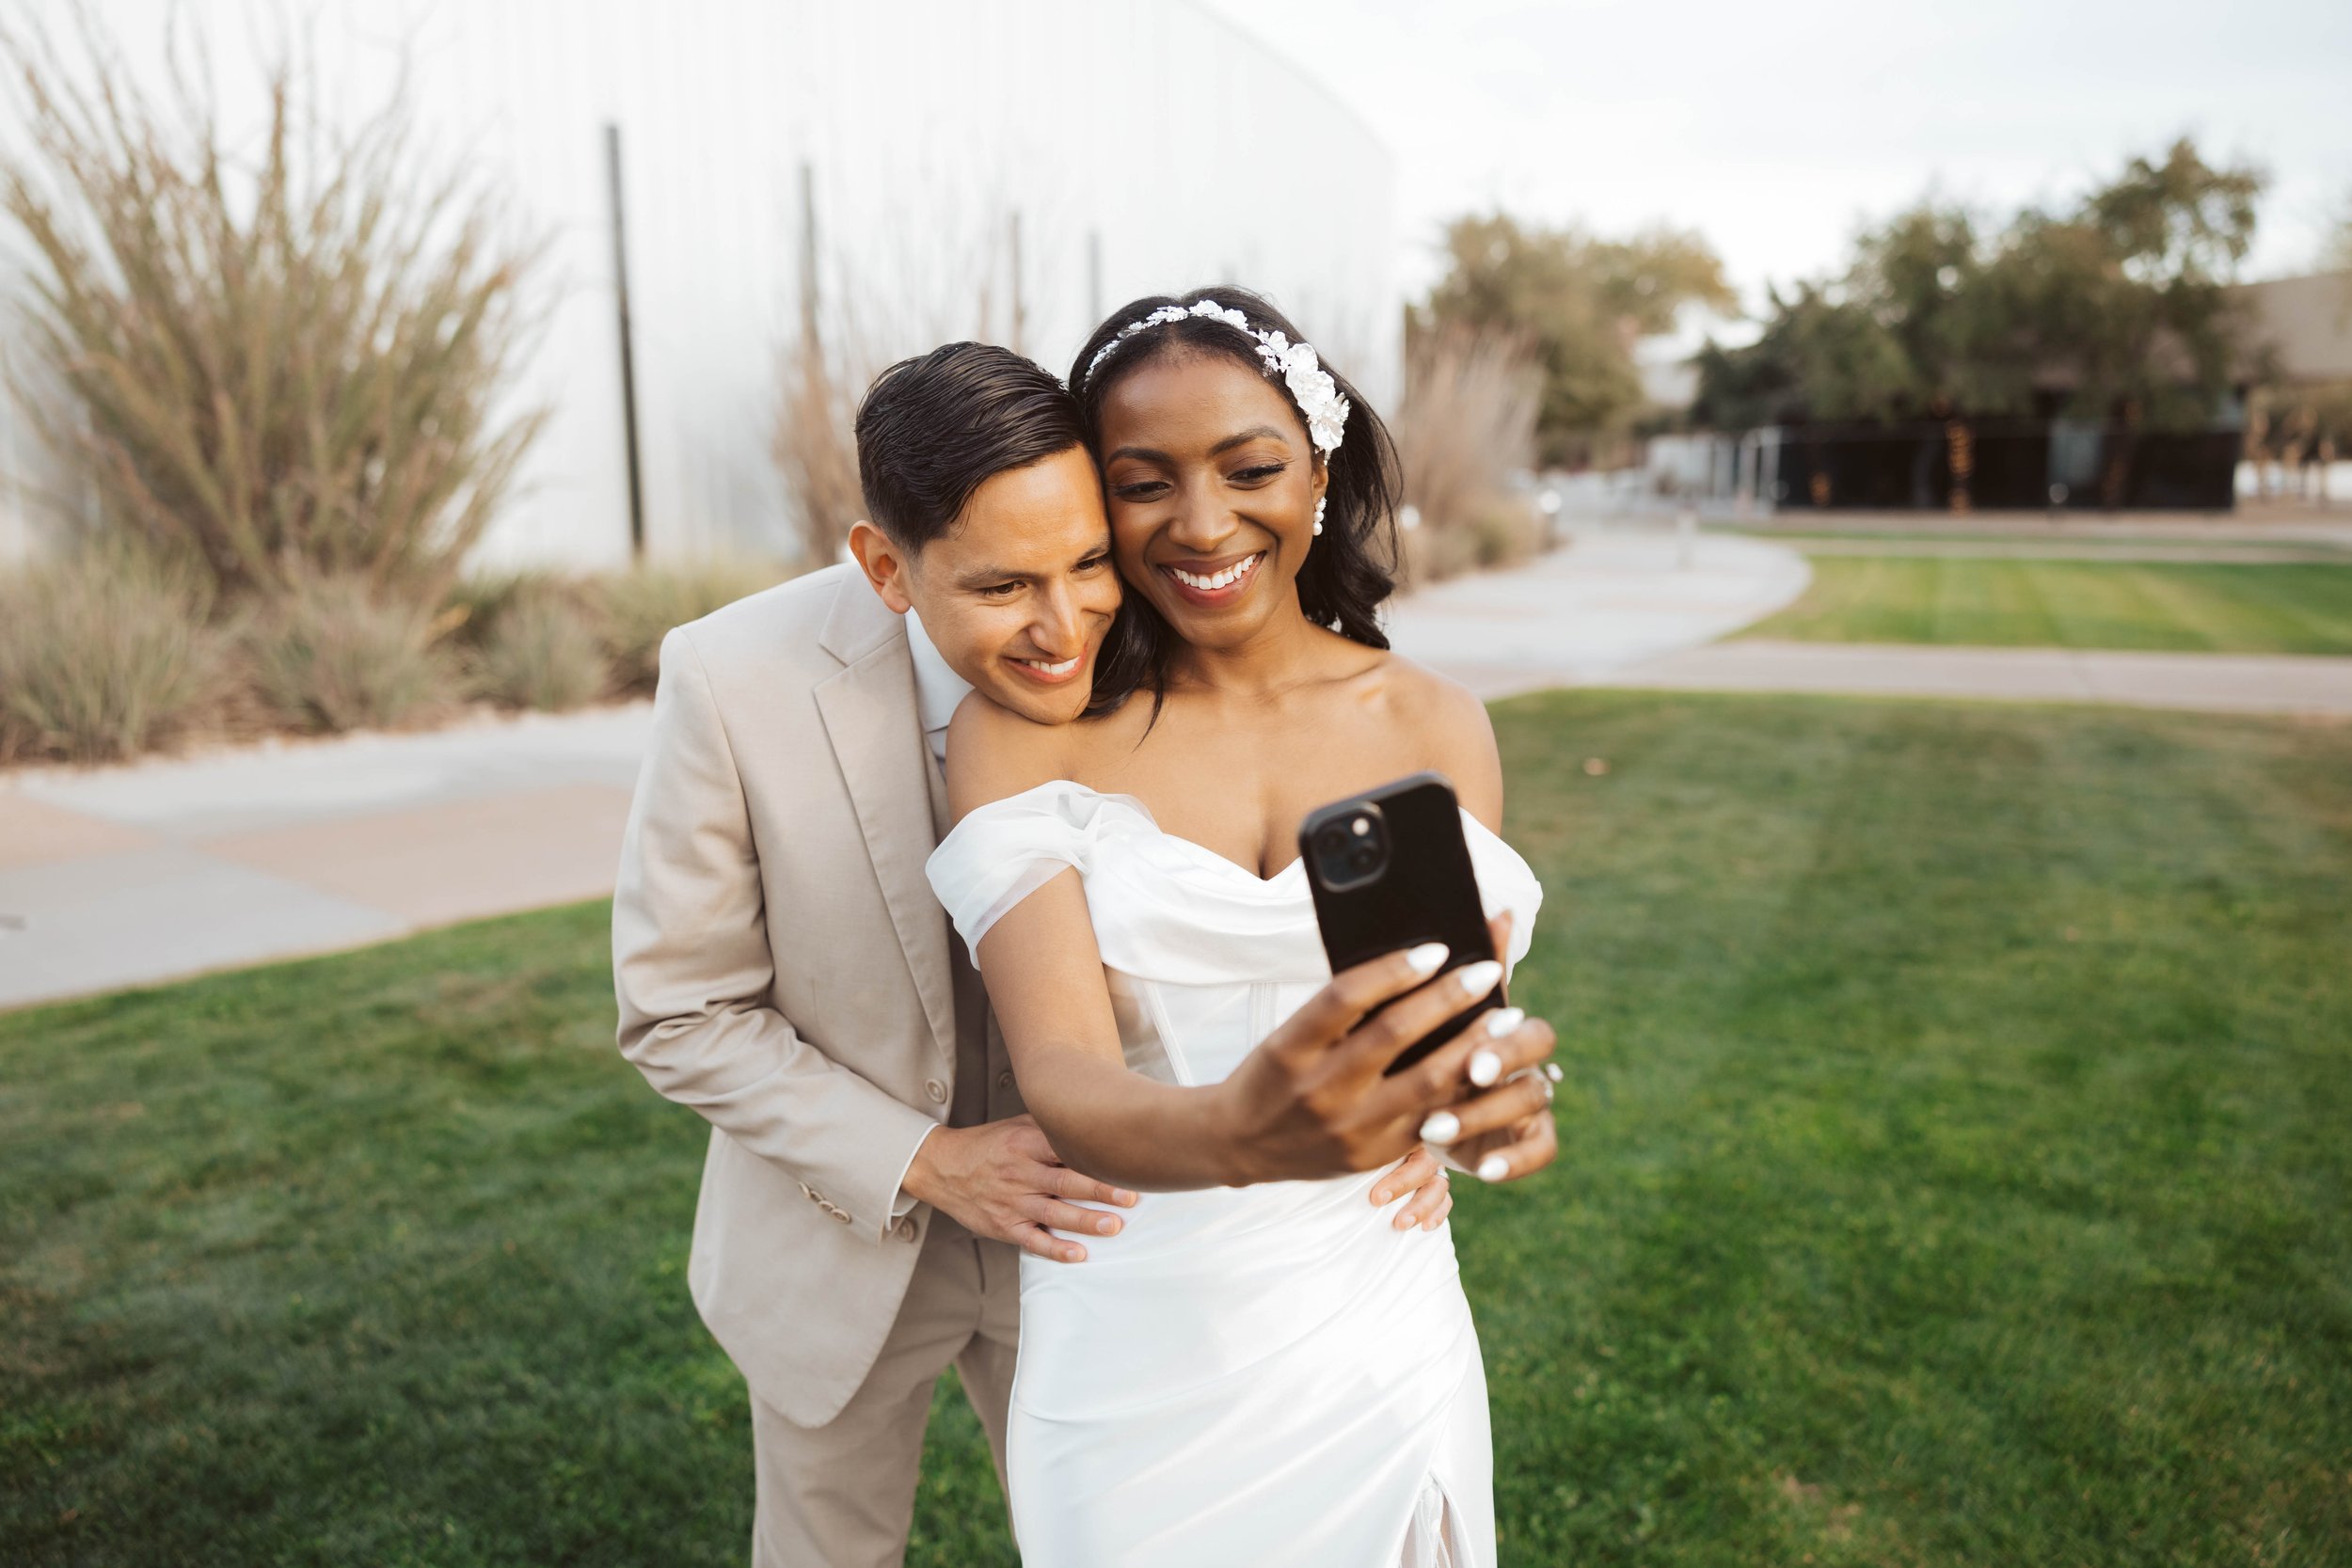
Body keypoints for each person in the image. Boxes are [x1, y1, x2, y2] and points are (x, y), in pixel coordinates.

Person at [612, 341, 1548, 1568]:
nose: (1067, 626)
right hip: (850, 1234)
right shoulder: (736, 677)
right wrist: (927, 1161)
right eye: (1004, 587)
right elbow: (679, 1009)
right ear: (887, 568)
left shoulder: (1167, 644)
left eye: (1090, 559)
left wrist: (1428, 1112)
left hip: (1120, 1246)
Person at [925, 291, 1558, 1566]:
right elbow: (1064, 1079)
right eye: (1143, 482)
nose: (1203, 523)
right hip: (1131, 1343)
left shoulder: (1436, 725)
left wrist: (1493, 1113)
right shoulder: (1024, 732)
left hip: (1373, 1327)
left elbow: (1451, 1061)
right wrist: (1240, 1130)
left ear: (1318, 473)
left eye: (1250, 468)